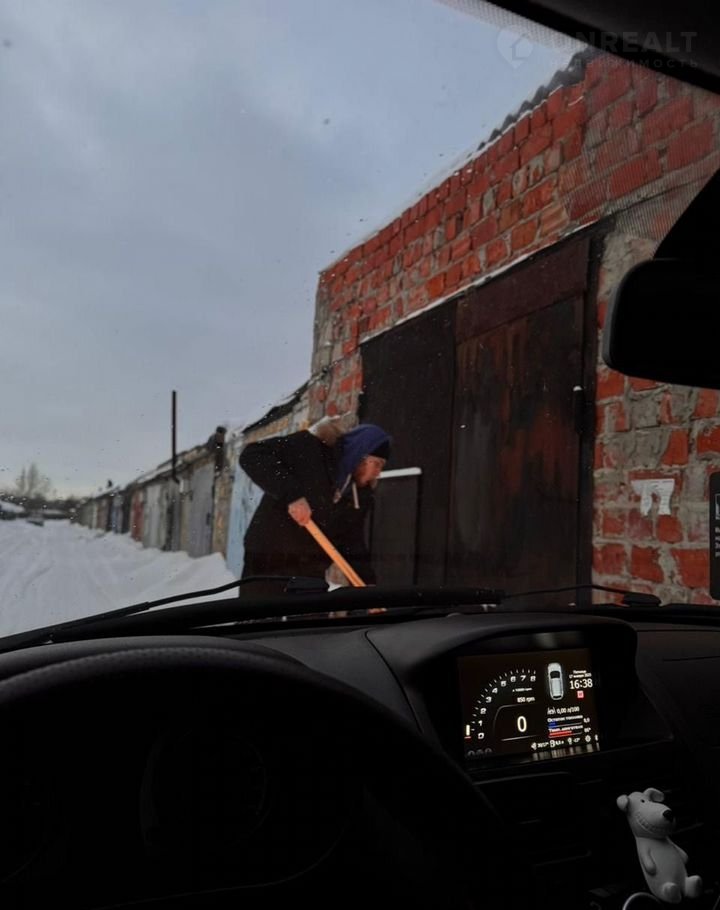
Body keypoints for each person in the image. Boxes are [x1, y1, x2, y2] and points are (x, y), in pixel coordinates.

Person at [238, 418, 391, 595]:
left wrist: (366, 581)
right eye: (377, 464)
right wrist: (292, 496)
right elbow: (252, 455)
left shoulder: (359, 495)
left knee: (310, 611)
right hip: (269, 559)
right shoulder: (309, 449)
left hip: (309, 570)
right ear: (360, 453)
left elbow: (352, 540)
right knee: (259, 611)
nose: (378, 473)